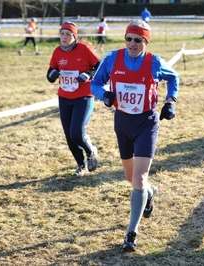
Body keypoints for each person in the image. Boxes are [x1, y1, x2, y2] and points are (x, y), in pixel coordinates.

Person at [90, 20, 179, 252]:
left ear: (145, 42)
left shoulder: (154, 62)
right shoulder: (112, 58)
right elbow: (95, 83)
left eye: (137, 40)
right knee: (132, 179)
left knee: (138, 179)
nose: (132, 43)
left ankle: (132, 232)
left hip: (146, 123)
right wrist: (104, 95)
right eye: (128, 38)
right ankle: (150, 192)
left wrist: (170, 102)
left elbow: (173, 78)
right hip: (122, 122)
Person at [46, 21, 101, 177]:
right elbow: (50, 73)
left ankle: (91, 151)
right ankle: (81, 165)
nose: (64, 37)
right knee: (69, 135)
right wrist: (53, 74)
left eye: (68, 34)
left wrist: (88, 74)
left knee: (76, 132)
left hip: (83, 96)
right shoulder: (57, 52)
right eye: (62, 34)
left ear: (74, 36)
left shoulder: (85, 49)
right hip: (64, 97)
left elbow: (100, 66)